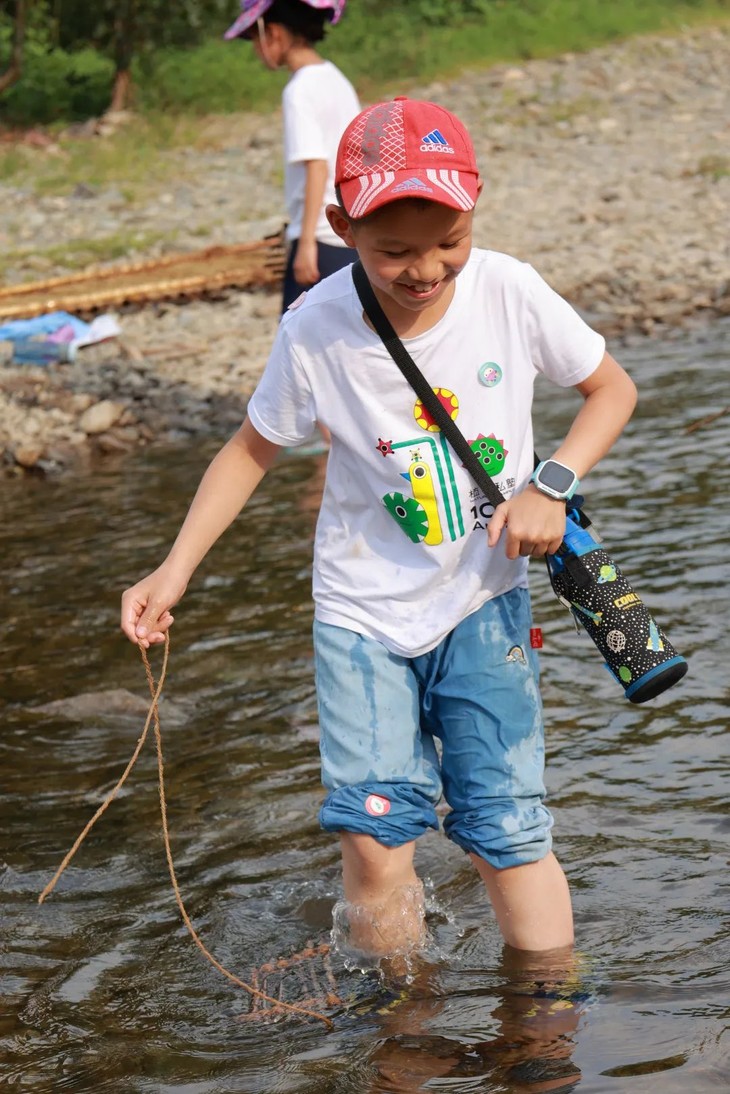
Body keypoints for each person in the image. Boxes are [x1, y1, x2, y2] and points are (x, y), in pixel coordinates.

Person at [121, 97, 637, 963]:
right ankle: (404, 1015)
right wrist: (173, 569)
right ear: (341, 226)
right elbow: (251, 450)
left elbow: (611, 389)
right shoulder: (316, 327)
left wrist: (551, 485)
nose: (426, 269)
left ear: (476, 210)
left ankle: (547, 1018)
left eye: (451, 242)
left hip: (483, 602)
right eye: (394, 250)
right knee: (371, 833)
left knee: (506, 827)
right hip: (360, 614)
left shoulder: (509, 290)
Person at [225, 0, 361, 313]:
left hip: (321, 236)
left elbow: (317, 166)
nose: (256, 50)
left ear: (272, 32)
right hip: (348, 228)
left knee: (299, 344)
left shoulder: (299, 90)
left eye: (254, 39)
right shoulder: (334, 77)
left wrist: (307, 244)